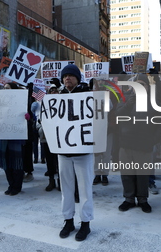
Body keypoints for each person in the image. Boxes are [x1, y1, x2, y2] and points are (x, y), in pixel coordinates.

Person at [116, 73, 161, 213]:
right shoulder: (125, 99)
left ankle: (143, 199)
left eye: (142, 84)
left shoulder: (154, 101)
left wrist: (154, 139)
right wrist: (129, 102)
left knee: (142, 175)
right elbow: (118, 115)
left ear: (147, 87)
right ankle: (129, 199)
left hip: (144, 145)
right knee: (127, 174)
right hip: (126, 144)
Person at [57, 64, 93, 241]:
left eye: (71, 76)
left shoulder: (88, 94)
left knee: (84, 188)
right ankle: (68, 220)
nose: (67, 79)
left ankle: (85, 223)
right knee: (66, 188)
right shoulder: (58, 97)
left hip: (83, 151)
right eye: (65, 76)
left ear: (78, 78)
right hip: (63, 150)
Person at [0, 82, 26, 195]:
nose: (5, 90)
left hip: (16, 137)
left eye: (7, 88)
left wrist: (27, 117)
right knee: (6, 162)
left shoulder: (21, 102)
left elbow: (30, 116)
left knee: (17, 163)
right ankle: (10, 184)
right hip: (3, 137)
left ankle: (17, 186)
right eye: (4, 88)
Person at [37, 84, 59, 191]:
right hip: (47, 138)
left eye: (55, 90)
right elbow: (39, 121)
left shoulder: (63, 103)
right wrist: (43, 130)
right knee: (49, 161)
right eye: (52, 90)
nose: (54, 92)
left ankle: (60, 181)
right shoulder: (43, 105)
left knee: (59, 161)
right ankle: (51, 181)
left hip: (60, 138)